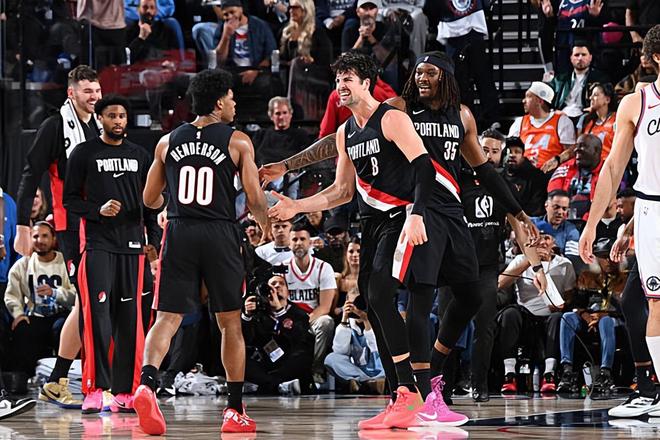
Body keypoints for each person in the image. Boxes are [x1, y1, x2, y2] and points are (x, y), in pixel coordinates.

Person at [269, 51, 435, 430]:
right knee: (369, 302)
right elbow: (341, 191)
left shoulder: (391, 118)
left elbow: (424, 166)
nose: (340, 86)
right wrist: (297, 205)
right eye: (337, 80)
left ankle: (409, 392)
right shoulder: (346, 132)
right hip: (370, 222)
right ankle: (398, 397)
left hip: (400, 217)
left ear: (366, 83)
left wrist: (419, 213)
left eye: (347, 79)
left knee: (379, 293)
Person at [133, 69, 270, 435]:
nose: (235, 104)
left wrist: (168, 205)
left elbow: (149, 198)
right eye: (232, 98)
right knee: (230, 323)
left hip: (179, 231)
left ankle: (146, 384)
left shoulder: (167, 141)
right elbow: (254, 197)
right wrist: (265, 225)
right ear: (219, 102)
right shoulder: (237, 141)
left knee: (167, 318)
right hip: (219, 232)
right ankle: (234, 409)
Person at [579, 25, 660, 418]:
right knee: (647, 301)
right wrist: (593, 223)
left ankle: (650, 391)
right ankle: (649, 390)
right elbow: (613, 168)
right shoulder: (637, 102)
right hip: (651, 210)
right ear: (656, 57)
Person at [14, 65, 102, 409]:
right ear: (71, 93)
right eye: (87, 91)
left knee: (96, 303)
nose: (93, 97)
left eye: (96, 90)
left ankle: (90, 380)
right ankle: (58, 380)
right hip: (71, 225)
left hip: (98, 223)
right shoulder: (55, 126)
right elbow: (30, 173)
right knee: (86, 302)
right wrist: (22, 225)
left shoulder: (97, 125)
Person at [63, 95, 150, 414]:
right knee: (96, 317)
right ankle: (95, 388)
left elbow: (152, 203)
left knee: (130, 320)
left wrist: (153, 241)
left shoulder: (140, 155)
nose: (118, 121)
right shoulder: (84, 153)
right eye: (112, 115)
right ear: (100, 118)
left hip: (133, 248)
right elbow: (70, 200)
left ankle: (126, 391)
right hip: (97, 245)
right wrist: (97, 211)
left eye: (122, 116)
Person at [497, 233, 575, 393]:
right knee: (509, 313)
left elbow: (569, 297)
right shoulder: (520, 259)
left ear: (554, 242)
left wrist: (561, 304)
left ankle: (549, 374)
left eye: (547, 238)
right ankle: (509, 374)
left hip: (551, 314)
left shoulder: (564, 264)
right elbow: (500, 283)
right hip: (526, 315)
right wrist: (530, 260)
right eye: (538, 237)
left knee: (558, 318)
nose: (542, 241)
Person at [4, 222, 76, 378]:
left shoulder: (65, 262)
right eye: (35, 236)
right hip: (36, 316)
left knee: (63, 329)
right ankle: (24, 379)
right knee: (22, 330)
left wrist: (55, 293)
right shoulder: (22, 264)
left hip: (62, 315)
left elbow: (75, 294)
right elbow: (11, 294)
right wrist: (18, 314)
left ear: (54, 238)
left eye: (45, 236)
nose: (40, 240)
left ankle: (65, 377)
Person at [242, 273, 314, 395]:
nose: (276, 287)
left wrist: (280, 311)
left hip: (289, 360)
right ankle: (278, 385)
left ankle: (266, 384)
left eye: (281, 284)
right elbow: (247, 340)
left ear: (288, 292)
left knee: (303, 357)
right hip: (267, 361)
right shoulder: (259, 314)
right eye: (272, 285)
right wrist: (247, 316)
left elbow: (298, 339)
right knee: (241, 360)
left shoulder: (299, 313)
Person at [284, 224, 337, 383]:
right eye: (295, 239)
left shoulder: (323, 268)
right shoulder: (282, 268)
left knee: (326, 322)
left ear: (310, 242)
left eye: (302, 239)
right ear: (289, 243)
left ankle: (316, 369)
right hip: (288, 318)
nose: (299, 243)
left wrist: (304, 322)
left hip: (313, 318)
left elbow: (325, 307)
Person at [324, 287, 385, 392]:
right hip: (358, 370)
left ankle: (364, 382)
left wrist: (366, 321)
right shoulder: (347, 324)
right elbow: (340, 351)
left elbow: (377, 349)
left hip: (380, 369)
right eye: (352, 304)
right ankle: (367, 382)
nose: (355, 308)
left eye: (358, 303)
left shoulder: (379, 319)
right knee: (331, 358)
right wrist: (344, 319)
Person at [508, 81, 576, 171]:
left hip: (549, 171)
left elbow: (571, 151)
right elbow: (510, 150)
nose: (523, 101)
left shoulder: (562, 121)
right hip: (522, 170)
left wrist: (557, 160)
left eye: (528, 96)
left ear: (539, 101)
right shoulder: (519, 122)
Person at [547, 133, 604, 218]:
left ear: (596, 151)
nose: (577, 149)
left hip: (595, 220)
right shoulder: (566, 167)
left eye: (583, 146)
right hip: (564, 220)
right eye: (577, 146)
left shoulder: (607, 171)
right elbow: (553, 196)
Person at [550, 42, 610, 121]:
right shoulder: (559, 80)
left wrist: (593, 108)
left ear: (590, 57)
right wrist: (554, 111)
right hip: (561, 115)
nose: (580, 58)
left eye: (584, 55)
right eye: (577, 55)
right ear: (571, 58)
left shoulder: (600, 78)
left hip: (585, 116)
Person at [502, 136, 549, 217]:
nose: (512, 155)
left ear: (523, 155)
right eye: (509, 151)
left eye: (517, 152)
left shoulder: (536, 177)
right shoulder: (499, 175)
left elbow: (536, 210)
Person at [577, 83, 617, 161]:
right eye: (591, 95)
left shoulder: (616, 120)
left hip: (608, 163)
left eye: (595, 95)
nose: (590, 98)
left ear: (607, 100)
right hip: (587, 163)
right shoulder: (586, 120)